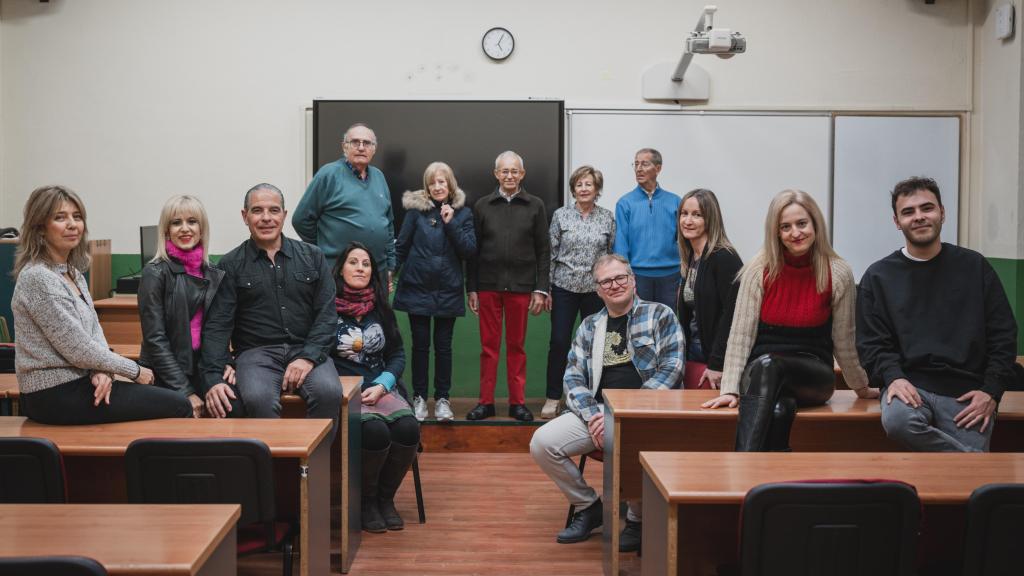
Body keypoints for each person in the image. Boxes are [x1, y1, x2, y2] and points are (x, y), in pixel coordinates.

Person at [702, 190, 879, 451]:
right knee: (779, 409)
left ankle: (740, 465)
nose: (795, 233)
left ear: (815, 224)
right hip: (760, 374)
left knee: (771, 365)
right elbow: (740, 338)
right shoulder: (758, 270)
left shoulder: (838, 272)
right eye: (785, 227)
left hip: (813, 375)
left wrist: (861, 387)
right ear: (776, 233)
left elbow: (844, 342)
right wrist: (729, 389)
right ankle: (772, 476)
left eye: (802, 224)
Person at [530, 253, 683, 551]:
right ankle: (589, 507)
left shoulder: (660, 314)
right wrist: (593, 416)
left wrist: (625, 412)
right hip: (599, 412)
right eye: (606, 282)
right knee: (542, 443)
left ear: (632, 280)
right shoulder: (589, 326)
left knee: (630, 439)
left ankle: (637, 520)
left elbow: (672, 369)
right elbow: (572, 378)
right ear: (598, 290)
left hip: (646, 411)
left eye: (619, 278)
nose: (614, 285)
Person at [857, 176, 1018, 452]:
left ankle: (975, 467)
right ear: (897, 222)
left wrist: (991, 391)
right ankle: (976, 465)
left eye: (926, 208)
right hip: (909, 386)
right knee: (897, 421)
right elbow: (872, 343)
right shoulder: (878, 276)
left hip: (966, 391)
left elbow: (1003, 335)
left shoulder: (975, 267)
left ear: (942, 213)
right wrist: (893, 376)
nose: (919, 217)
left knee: (969, 487)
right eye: (908, 212)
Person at [11, 185, 192, 424]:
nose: (72, 224)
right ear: (40, 228)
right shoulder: (38, 277)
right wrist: (134, 371)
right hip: (52, 393)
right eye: (60, 218)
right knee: (179, 404)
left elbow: (95, 334)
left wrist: (102, 370)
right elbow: (78, 349)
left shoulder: (72, 274)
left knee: (168, 397)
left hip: (82, 380)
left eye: (77, 217)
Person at [199, 183, 342, 428]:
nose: (266, 218)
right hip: (256, 354)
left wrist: (308, 358)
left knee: (329, 393)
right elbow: (217, 324)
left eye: (274, 210)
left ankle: (314, 467)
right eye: (257, 210)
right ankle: (274, 466)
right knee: (257, 399)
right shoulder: (230, 264)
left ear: (284, 215)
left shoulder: (313, 256)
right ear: (245, 216)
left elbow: (327, 315)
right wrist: (214, 376)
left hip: (306, 350)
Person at [332, 242, 421, 532]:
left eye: (366, 264)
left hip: (380, 388)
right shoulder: (325, 309)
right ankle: (366, 501)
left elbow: (397, 354)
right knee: (375, 431)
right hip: (344, 391)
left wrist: (384, 385)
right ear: (341, 269)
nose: (360, 268)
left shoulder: (381, 308)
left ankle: (386, 499)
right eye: (353, 262)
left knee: (409, 428)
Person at [466, 151, 550, 421]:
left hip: (522, 288)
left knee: (517, 347)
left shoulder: (535, 205)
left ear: (522, 174)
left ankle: (518, 403)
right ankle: (485, 402)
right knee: (489, 347)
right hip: (488, 286)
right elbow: (473, 251)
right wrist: (472, 288)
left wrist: (541, 288)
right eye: (505, 171)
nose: (510, 176)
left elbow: (544, 251)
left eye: (515, 171)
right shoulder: (481, 205)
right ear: (496, 174)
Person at [393, 162, 477, 422]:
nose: (438, 186)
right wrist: (389, 274)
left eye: (442, 181)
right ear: (427, 187)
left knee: (443, 347)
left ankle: (442, 400)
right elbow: (402, 247)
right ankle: (419, 398)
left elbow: (469, 251)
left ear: (450, 184)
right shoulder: (415, 213)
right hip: (416, 289)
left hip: (448, 290)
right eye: (433, 182)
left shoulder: (463, 213)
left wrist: (450, 223)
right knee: (420, 346)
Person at [138, 195, 230, 418]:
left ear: (202, 228)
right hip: (167, 373)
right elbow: (155, 340)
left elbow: (218, 328)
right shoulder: (155, 272)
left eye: (192, 221)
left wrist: (225, 362)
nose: (185, 229)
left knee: (233, 406)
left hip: (203, 367)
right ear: (166, 230)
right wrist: (185, 391)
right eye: (176, 222)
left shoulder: (212, 271)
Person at [542, 165, 615, 419]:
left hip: (596, 291)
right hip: (564, 288)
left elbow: (611, 255)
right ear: (573, 189)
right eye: (579, 185)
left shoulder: (607, 217)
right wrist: (547, 288)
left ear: (597, 190)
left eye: (589, 185)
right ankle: (553, 398)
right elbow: (550, 254)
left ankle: (593, 397)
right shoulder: (561, 216)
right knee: (560, 342)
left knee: (595, 345)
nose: (583, 189)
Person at [292, 123, 396, 283]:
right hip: (338, 271)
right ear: (344, 146)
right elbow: (301, 220)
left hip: (376, 271)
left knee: (378, 309)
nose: (361, 147)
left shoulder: (379, 176)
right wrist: (324, 249)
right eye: (355, 142)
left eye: (367, 143)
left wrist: (390, 265)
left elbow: (388, 225)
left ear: (374, 149)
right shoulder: (328, 174)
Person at [675, 189, 743, 390]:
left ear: (710, 220)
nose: (688, 220)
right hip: (696, 352)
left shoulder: (723, 257)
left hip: (717, 359)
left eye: (697, 215)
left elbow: (732, 315)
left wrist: (717, 363)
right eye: (684, 213)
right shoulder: (691, 257)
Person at [613, 148, 681, 308]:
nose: (638, 169)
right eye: (636, 164)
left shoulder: (675, 201)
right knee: (638, 325)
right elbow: (621, 243)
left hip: (671, 275)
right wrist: (625, 277)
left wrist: (683, 277)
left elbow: (685, 243)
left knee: (667, 325)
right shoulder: (625, 203)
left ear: (658, 168)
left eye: (644, 164)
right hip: (638, 276)